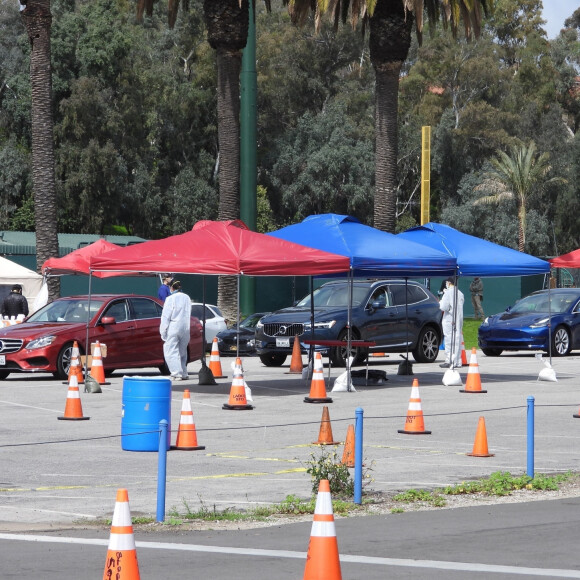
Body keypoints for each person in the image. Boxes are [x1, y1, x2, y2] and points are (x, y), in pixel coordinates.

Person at [159, 280, 191, 380]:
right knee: (182, 352)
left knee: (170, 351)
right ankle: (184, 372)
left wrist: (163, 331)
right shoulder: (187, 297)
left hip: (174, 326)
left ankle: (176, 373)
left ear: (171, 288)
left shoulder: (170, 299)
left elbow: (165, 317)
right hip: (186, 327)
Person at [439, 277, 464, 369]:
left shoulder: (448, 293)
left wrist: (441, 301)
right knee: (457, 340)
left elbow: (443, 307)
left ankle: (449, 360)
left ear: (448, 283)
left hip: (449, 319)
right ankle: (457, 361)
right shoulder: (460, 293)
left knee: (449, 340)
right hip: (458, 319)